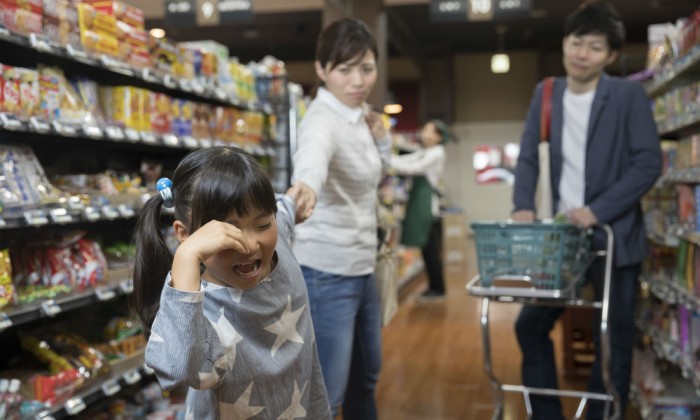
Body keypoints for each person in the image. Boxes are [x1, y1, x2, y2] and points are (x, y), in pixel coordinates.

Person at [511, 1, 662, 419]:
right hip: (561, 239)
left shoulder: (628, 95)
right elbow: (526, 156)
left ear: (611, 56)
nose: (582, 54)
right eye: (577, 42)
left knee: (614, 336)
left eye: (595, 47)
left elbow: (648, 162)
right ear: (564, 43)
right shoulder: (546, 93)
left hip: (614, 236)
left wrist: (598, 210)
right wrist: (523, 205)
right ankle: (546, 414)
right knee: (529, 325)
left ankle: (602, 414)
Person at [131, 147, 331, 419]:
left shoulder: (278, 236)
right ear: (186, 234)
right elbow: (178, 368)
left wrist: (302, 193)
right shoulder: (200, 313)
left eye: (261, 225)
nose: (249, 245)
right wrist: (186, 256)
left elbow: (285, 208)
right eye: (227, 233)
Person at [285, 17, 390, 420]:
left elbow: (378, 172)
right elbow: (314, 156)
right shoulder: (323, 118)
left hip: (361, 266)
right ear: (322, 70)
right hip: (327, 271)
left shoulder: (359, 114)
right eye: (345, 69)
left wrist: (380, 137)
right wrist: (306, 186)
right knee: (327, 393)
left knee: (366, 379)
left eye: (366, 68)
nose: (358, 80)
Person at [390, 120, 449, 302]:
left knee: (430, 249)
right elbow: (409, 159)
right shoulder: (425, 151)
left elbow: (415, 167)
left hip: (428, 208)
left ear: (439, 137)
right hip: (420, 204)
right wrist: (387, 156)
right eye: (425, 129)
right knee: (426, 249)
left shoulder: (437, 152)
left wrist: (385, 160)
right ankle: (433, 287)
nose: (425, 134)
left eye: (431, 131)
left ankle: (438, 290)